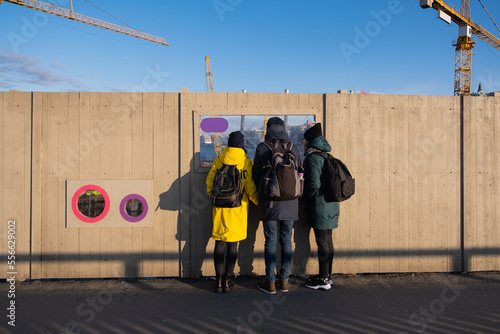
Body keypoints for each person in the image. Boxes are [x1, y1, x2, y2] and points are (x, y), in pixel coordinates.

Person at [252, 117, 302, 294]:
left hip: (270, 203)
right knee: (286, 241)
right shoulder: (293, 147)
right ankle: (285, 281)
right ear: (284, 128)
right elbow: (301, 171)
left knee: (270, 241)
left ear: (268, 129)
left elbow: (256, 176)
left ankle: (271, 283)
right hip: (291, 202)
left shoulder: (262, 147)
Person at [206, 131, 258, 293]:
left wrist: (215, 194)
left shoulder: (219, 159)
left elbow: (210, 183)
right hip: (238, 208)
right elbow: (249, 186)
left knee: (219, 243)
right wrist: (259, 202)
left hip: (220, 208)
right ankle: (228, 280)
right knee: (232, 244)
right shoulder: (245, 162)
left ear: (229, 144)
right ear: (242, 145)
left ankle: (219, 280)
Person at [302, 123, 339, 290]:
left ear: (309, 141)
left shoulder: (312, 158)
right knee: (328, 240)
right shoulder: (327, 155)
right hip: (331, 204)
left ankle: (323, 279)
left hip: (320, 205)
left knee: (322, 242)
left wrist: (304, 195)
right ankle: (327, 276)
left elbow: (313, 185)